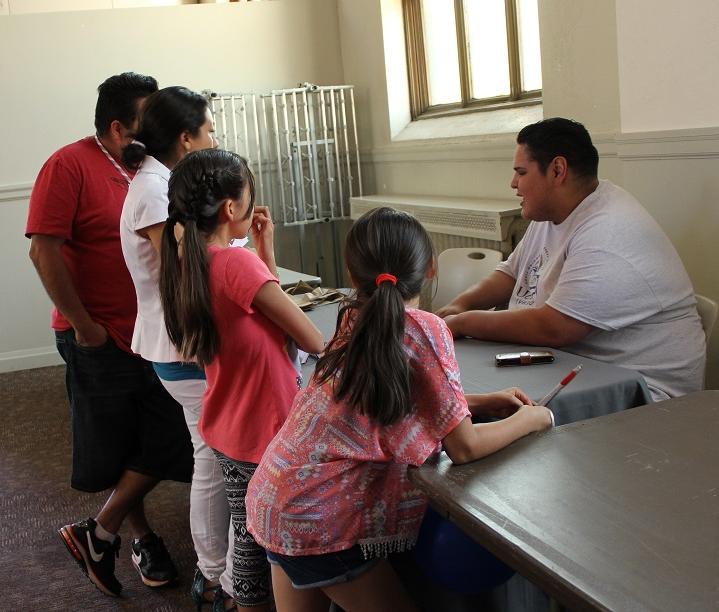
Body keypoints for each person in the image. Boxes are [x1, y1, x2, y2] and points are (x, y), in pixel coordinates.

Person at [244, 206, 552, 612]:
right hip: (319, 518)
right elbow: (466, 448)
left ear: (353, 276)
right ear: (429, 269)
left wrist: (474, 402)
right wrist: (532, 419)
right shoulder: (425, 327)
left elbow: (378, 401)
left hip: (276, 497)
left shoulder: (352, 318)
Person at [26, 73, 194, 598]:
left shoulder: (152, 170)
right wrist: (85, 327)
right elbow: (43, 250)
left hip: (154, 332)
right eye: (148, 123)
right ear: (118, 127)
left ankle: (99, 530)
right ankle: (138, 536)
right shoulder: (69, 164)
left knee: (169, 436)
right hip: (99, 336)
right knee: (119, 446)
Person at [436, 117, 705, 401]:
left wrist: (463, 323)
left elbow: (554, 328)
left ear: (557, 170)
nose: (513, 183)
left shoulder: (607, 229)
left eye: (521, 172)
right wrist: (459, 305)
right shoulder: (552, 212)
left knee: (480, 414)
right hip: (571, 367)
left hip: (641, 390)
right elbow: (511, 273)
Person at [159, 148, 325, 611]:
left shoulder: (192, 259)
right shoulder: (235, 265)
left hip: (230, 426)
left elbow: (264, 313)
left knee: (248, 532)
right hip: (263, 429)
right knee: (260, 541)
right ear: (231, 208)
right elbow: (308, 336)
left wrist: (265, 251)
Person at [119, 85, 236, 609]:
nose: (213, 138)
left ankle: (219, 572)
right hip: (181, 344)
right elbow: (186, 269)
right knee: (212, 457)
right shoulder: (151, 191)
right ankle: (215, 575)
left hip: (182, 342)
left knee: (212, 456)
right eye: (208, 130)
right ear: (186, 138)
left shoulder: (163, 183)